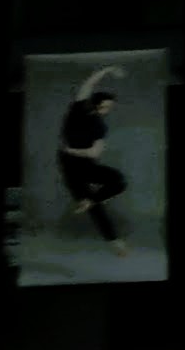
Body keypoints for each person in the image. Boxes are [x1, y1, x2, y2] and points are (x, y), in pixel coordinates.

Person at [56, 67, 132, 247]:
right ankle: (114, 239)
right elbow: (94, 152)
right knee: (115, 186)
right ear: (98, 106)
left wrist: (108, 70)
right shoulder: (96, 123)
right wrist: (110, 69)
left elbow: (89, 83)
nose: (108, 110)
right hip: (79, 168)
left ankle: (93, 206)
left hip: (73, 165)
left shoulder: (78, 109)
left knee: (96, 201)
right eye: (107, 107)